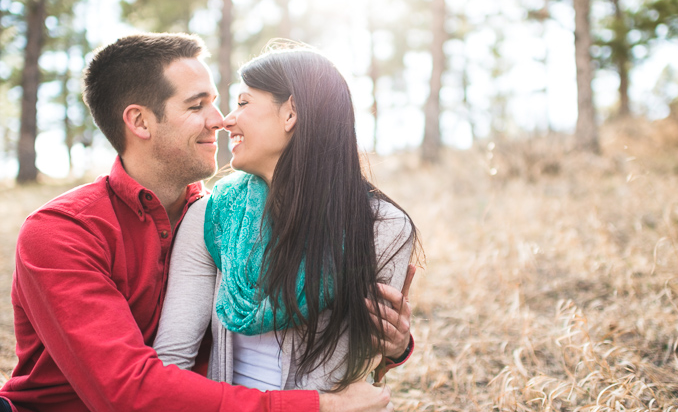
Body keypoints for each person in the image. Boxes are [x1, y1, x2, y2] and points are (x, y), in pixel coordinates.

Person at [0, 33, 411, 412]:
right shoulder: (63, 233)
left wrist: (393, 345)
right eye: (198, 106)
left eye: (226, 102)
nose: (221, 119)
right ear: (140, 122)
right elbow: (128, 392)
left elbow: (353, 364)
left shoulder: (213, 212)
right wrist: (315, 406)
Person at [152, 44, 418, 393]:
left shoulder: (382, 228)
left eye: (244, 103)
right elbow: (172, 360)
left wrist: (395, 350)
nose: (226, 119)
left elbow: (353, 374)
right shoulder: (210, 216)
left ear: (291, 112)